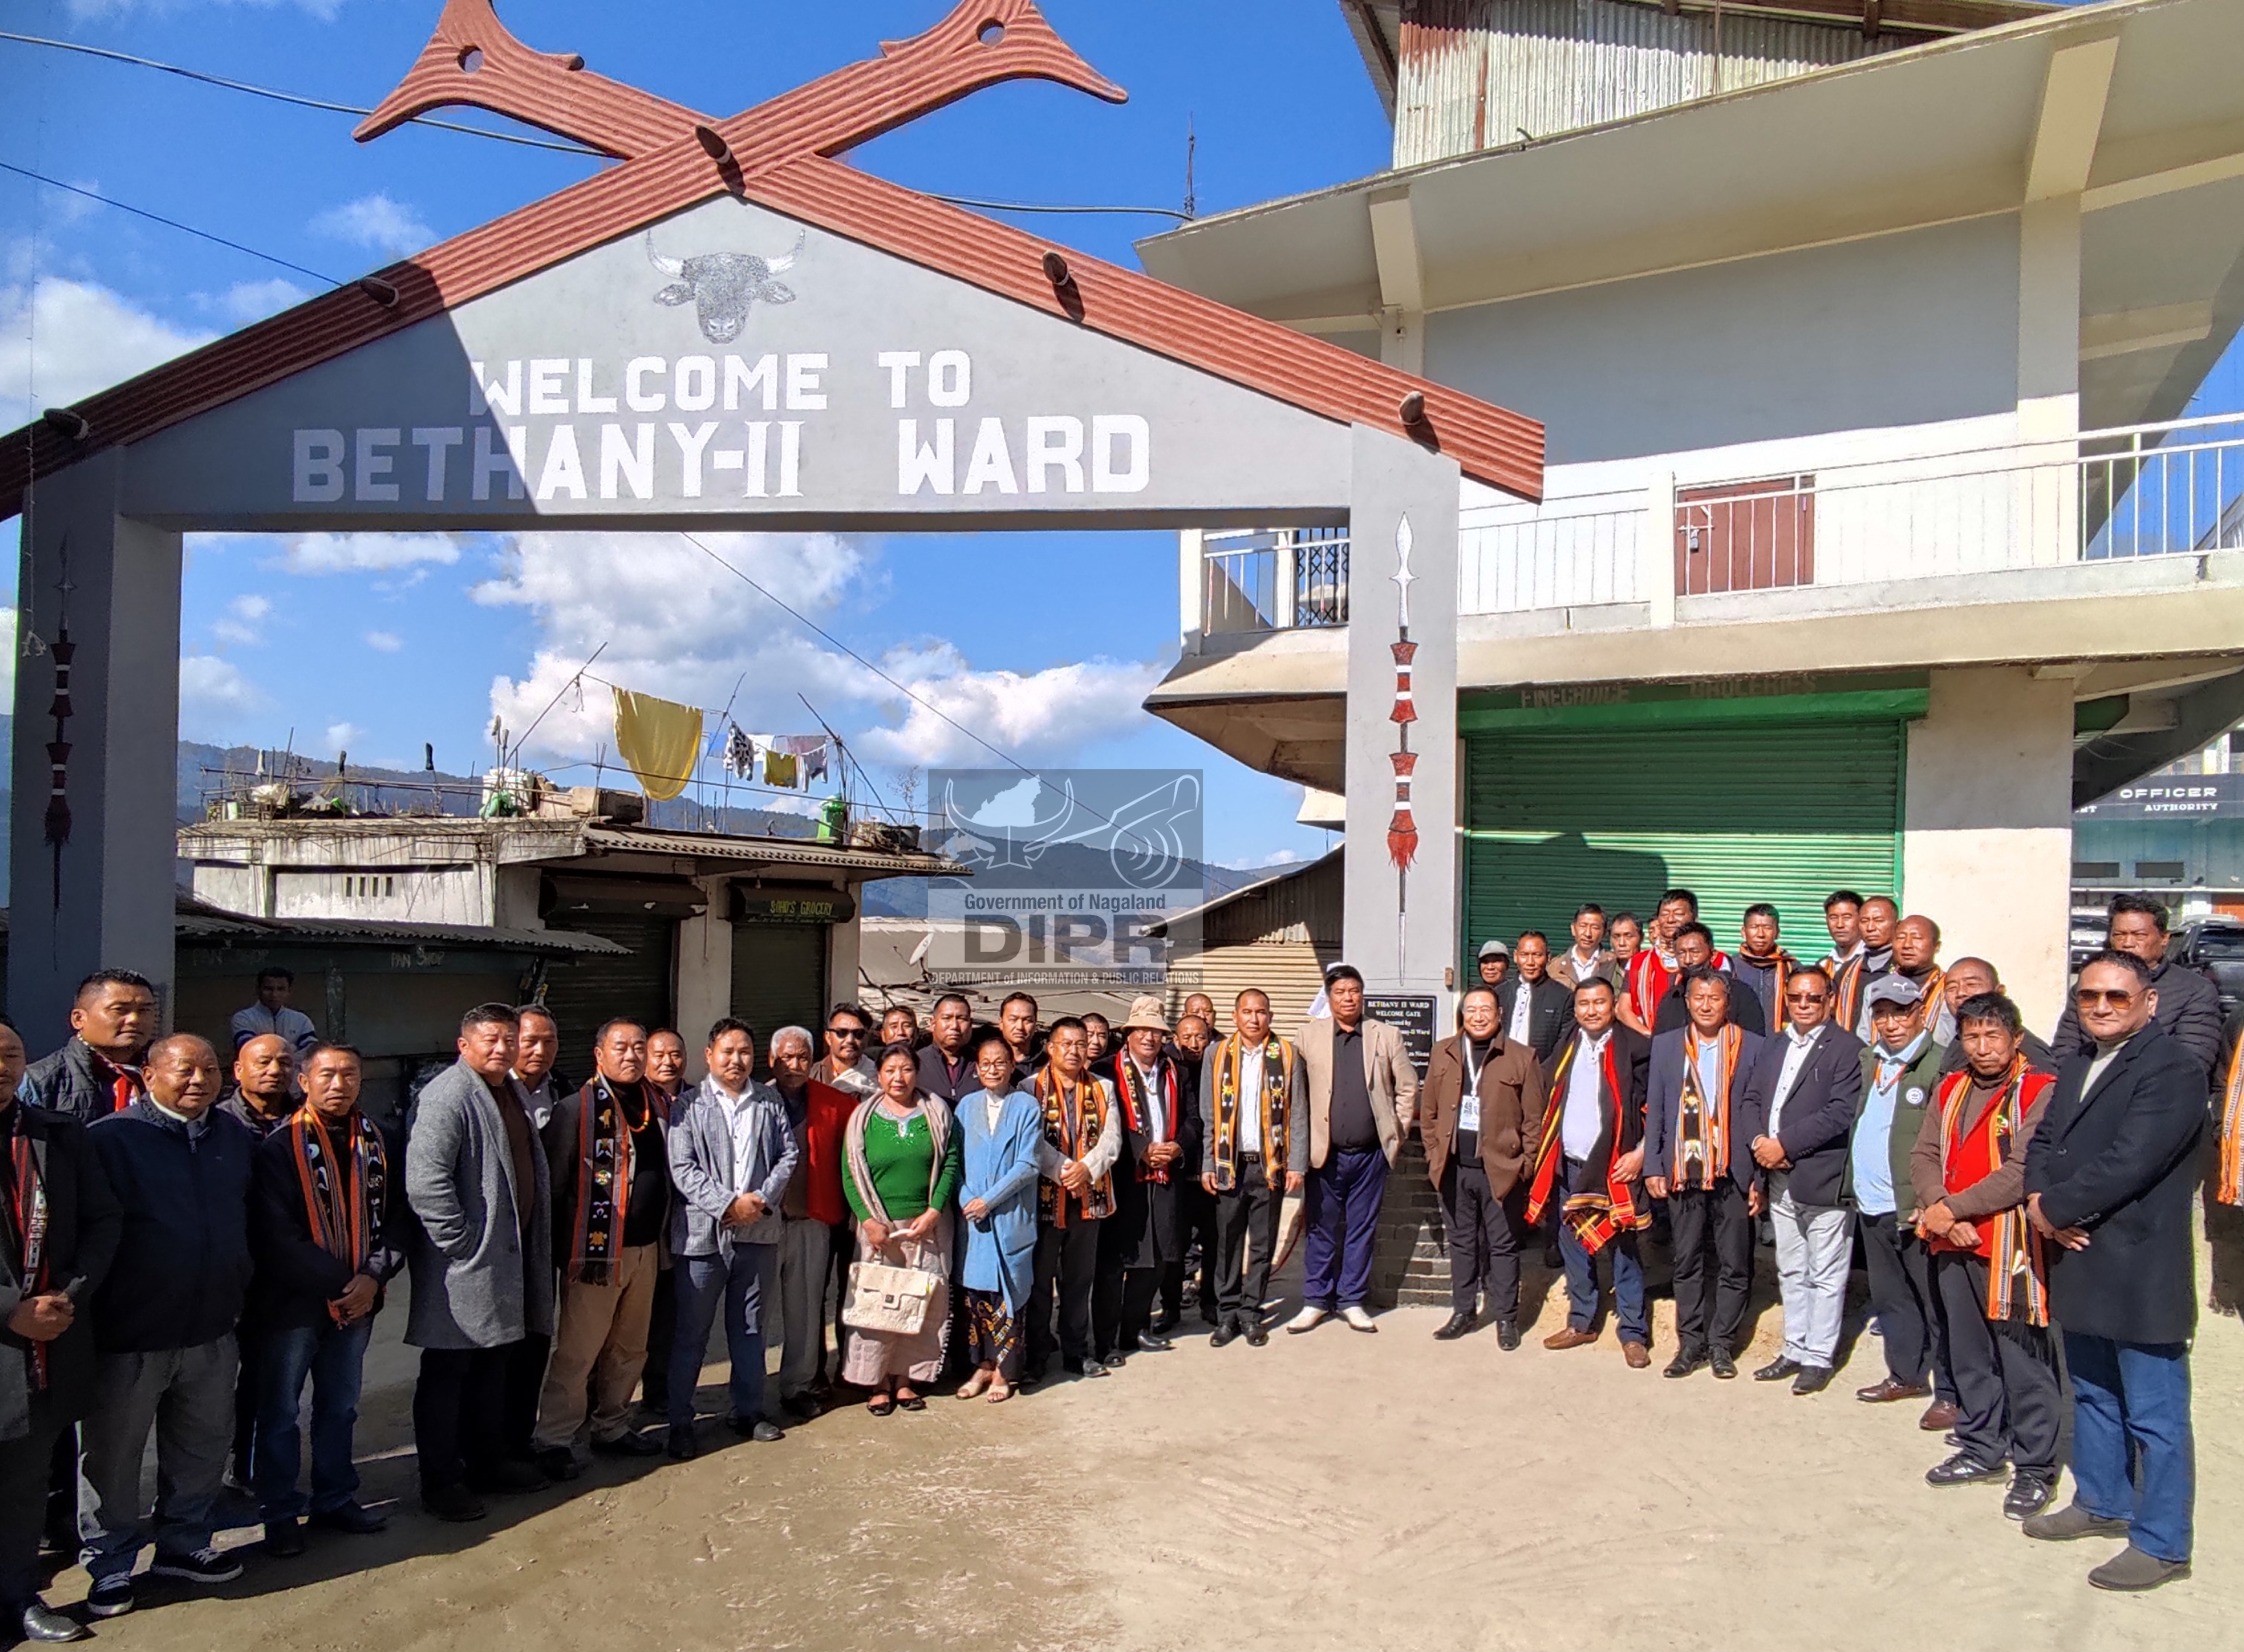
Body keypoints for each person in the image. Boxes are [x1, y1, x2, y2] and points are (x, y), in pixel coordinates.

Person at [2022, 950, 2206, 1591]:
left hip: (2138, 1268)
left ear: (2149, 1003)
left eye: (2117, 996)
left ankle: (2162, 1543)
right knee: (2094, 1393)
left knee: (2156, 1415)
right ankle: (2103, 1501)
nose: (2100, 1006)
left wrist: (2053, 1209)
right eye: (2089, 995)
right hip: (2079, 1256)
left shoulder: (2173, 1069)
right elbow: (2044, 1143)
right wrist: (2038, 1201)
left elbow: (2132, 1161)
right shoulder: (2077, 1061)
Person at [79, 1034, 256, 1617]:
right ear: (150, 1076)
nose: (198, 1080)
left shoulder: (232, 1136)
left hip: (211, 1327)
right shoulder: (110, 1140)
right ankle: (109, 1564)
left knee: (202, 1447)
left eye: (209, 1069)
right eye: (184, 1070)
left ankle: (184, 1544)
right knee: (113, 1458)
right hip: (131, 1335)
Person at [1909, 993, 2062, 1520]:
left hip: (2009, 1243)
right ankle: (1980, 1446)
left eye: (1993, 1036)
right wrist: (1938, 1207)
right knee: (1968, 1351)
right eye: (1971, 1036)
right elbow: (1924, 1153)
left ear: (2016, 1039)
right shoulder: (1951, 1087)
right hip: (1951, 1238)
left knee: (2021, 1357)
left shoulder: (2040, 1090)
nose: (1982, 1047)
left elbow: (2020, 1171)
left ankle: (2035, 1466)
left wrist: (1951, 1209)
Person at [246, 1043, 402, 1556]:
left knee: (340, 1406)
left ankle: (335, 1498)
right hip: (292, 1305)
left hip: (360, 1303)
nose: (339, 1084)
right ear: (304, 1081)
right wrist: (343, 1284)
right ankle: (279, 1512)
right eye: (327, 1075)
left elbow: (400, 1218)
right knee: (280, 1413)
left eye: (350, 1074)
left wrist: (374, 1276)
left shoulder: (381, 1140)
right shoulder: (278, 1147)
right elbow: (276, 1236)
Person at [404, 1004, 555, 1523]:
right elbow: (426, 1181)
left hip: (507, 1260)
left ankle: (488, 1462)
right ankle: (441, 1480)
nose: (502, 1049)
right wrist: (463, 1242)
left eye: (509, 1039)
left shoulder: (507, 1090)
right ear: (463, 1044)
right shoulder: (448, 1095)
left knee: (493, 1367)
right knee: (449, 1372)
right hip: (465, 1266)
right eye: (490, 1040)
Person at [0, 1017, 119, 1645]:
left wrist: (68, 1295)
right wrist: (7, 1309)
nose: (1, 1067)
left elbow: (103, 1220)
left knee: (24, 1483)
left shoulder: (57, 1133)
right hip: (6, 1328)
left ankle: (18, 1596)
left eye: (11, 1054)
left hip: (48, 1337)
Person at [533, 1019, 670, 1477]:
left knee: (629, 1347)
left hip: (646, 1249)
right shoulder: (575, 1109)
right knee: (579, 1350)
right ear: (599, 1054)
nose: (631, 1055)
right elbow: (554, 1187)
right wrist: (561, 1253)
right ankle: (554, 1437)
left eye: (638, 1047)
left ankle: (612, 1424)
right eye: (621, 1047)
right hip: (594, 1253)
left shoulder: (656, 1104)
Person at [665, 1019, 795, 1456]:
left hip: (758, 1232)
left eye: (744, 1052)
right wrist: (727, 1205)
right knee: (691, 1332)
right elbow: (683, 1167)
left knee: (750, 1326)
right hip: (702, 1237)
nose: (736, 1060)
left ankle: (748, 1411)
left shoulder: (769, 1100)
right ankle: (680, 1421)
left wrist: (760, 1200)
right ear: (709, 1055)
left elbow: (787, 1154)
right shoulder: (688, 1106)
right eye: (727, 1051)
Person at [1736, 965, 1863, 1395]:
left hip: (1821, 1176)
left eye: (1813, 998)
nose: (1804, 1005)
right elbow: (1751, 1097)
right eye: (1796, 998)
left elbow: (1840, 1112)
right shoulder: (1775, 1044)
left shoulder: (1847, 1049)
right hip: (1777, 1177)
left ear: (1830, 1000)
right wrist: (1759, 1142)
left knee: (1826, 1271)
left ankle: (1818, 1357)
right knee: (1790, 1267)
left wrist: (1785, 1145)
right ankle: (1794, 1347)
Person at [1644, 970, 1764, 1379]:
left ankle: (1721, 1344)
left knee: (1734, 1263)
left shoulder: (1751, 1046)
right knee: (1687, 1259)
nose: (1706, 1005)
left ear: (1727, 1003)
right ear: (1688, 1001)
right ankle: (1690, 1343)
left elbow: (1760, 1113)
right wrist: (1653, 1164)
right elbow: (1656, 1110)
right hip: (1684, 1168)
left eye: (1714, 998)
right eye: (1699, 997)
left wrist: (1758, 1178)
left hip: (1734, 1169)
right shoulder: (1666, 1046)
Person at [1845, 976, 1954, 1427]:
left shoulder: (1939, 1064)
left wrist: (1932, 1198)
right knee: (1892, 1298)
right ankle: (1905, 1374)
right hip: (1872, 1202)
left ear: (1919, 1013)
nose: (1891, 1023)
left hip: (1914, 1205)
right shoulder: (1870, 1059)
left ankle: (1950, 1393)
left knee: (1936, 1302)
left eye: (1901, 1013)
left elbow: (1946, 1141)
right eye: (1882, 1014)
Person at [1529, 978, 1652, 1366]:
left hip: (1617, 1167)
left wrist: (1642, 1153)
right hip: (1568, 1163)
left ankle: (1633, 1333)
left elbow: (1659, 1108)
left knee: (1624, 1251)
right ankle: (1581, 1321)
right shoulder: (1568, 1044)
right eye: (1584, 1003)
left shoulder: (1636, 1048)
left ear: (1613, 1005)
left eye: (1599, 1002)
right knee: (1573, 1246)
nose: (1591, 1010)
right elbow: (1543, 1087)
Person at [1290, 966, 1419, 1334]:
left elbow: (1407, 1086)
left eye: (1354, 990)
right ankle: (1316, 1299)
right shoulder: (1307, 1036)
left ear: (1363, 995)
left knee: (1362, 1228)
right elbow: (1296, 1094)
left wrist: (1395, 1131)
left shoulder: (1386, 1035)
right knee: (1320, 1228)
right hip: (1324, 1154)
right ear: (1329, 997)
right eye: (1340, 991)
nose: (1348, 997)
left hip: (1370, 1154)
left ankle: (1351, 1299)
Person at [841, 1044, 961, 1413]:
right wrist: (868, 1220)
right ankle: (876, 1381)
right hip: (879, 1229)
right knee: (877, 1306)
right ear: (878, 1075)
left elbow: (950, 1161)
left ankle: (906, 1379)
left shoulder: (936, 1112)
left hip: (926, 1227)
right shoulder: (862, 1118)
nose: (898, 1077)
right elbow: (850, 1172)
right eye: (890, 1070)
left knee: (920, 1303)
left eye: (906, 1069)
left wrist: (934, 1211)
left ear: (916, 1073)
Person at [1419, 986, 1542, 1345]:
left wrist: (1525, 1165)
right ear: (1462, 1014)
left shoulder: (1522, 1057)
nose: (1478, 1016)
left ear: (1500, 1013)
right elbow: (1429, 1112)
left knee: (1503, 1246)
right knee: (1461, 1244)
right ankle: (1463, 1311)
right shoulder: (1443, 1052)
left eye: (1485, 1009)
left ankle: (1505, 1318)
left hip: (1501, 1170)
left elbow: (1534, 1120)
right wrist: (1433, 1154)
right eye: (1471, 1009)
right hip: (1454, 1167)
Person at [1095, 997, 1199, 1365]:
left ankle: (1134, 1328)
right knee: (1114, 1263)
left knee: (1157, 1259)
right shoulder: (1106, 1071)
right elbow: (1104, 1124)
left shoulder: (1176, 1071)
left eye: (1155, 1031)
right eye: (1141, 1029)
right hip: (1124, 1177)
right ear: (1128, 1033)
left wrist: (1177, 1145)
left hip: (1166, 1176)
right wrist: (1141, 1149)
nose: (1148, 1037)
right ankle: (1105, 1340)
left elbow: (1193, 1120)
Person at [1200, 991, 1305, 1348]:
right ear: (1235, 1016)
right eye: (1247, 1011)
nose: (1254, 1018)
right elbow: (1209, 1114)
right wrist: (1207, 1163)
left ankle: (1250, 1313)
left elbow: (1298, 1112)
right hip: (1229, 1163)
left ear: (1270, 1016)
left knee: (1262, 1244)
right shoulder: (1216, 1054)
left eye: (1261, 1012)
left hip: (1268, 1164)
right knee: (1227, 1243)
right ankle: (1226, 1313)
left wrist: (1297, 1164)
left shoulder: (1287, 1055)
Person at [1024, 1019, 1122, 1378]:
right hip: (1044, 1200)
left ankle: (1076, 1352)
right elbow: (1030, 1141)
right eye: (1066, 1043)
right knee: (1039, 1283)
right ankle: (1036, 1356)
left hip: (1089, 1199)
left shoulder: (1102, 1087)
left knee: (1079, 1282)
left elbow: (1112, 1139)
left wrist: (1087, 1169)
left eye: (1080, 1043)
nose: (1074, 1050)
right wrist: (1066, 1171)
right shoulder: (1029, 1087)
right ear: (1050, 1047)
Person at [2050, 893, 2224, 1080]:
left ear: (2164, 938)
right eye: (2119, 935)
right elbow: (2065, 1049)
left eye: (2139, 935)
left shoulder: (2194, 990)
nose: (2127, 943)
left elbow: (2193, 1062)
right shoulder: (2090, 985)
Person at [954, 1033, 1042, 1402]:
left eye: (1000, 1063)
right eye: (986, 1064)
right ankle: (984, 1365)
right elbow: (954, 1162)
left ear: (1011, 1066)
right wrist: (966, 1198)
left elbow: (1028, 1164)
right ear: (976, 1069)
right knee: (977, 1297)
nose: (993, 1069)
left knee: (1009, 1296)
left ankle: (1006, 1371)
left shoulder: (1026, 1106)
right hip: (973, 1220)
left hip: (1009, 1217)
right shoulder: (966, 1106)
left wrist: (988, 1201)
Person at [768, 1026, 848, 1419]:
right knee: (753, 1312)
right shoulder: (754, 1100)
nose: (794, 1065)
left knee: (805, 1308)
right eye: (786, 1057)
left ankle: (798, 1385)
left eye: (802, 1057)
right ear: (772, 1060)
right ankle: (745, 1393)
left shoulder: (835, 1103)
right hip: (761, 1224)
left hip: (811, 1219)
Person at [21, 971, 157, 1122]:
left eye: (144, 1010)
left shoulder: (168, 1073)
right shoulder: (39, 1080)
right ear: (78, 1019)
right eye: (119, 1009)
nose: (134, 1019)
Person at [1164, 1011, 1219, 1330]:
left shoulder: (1219, 1067)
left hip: (1211, 1172)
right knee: (1175, 1244)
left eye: (1200, 1036)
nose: (1194, 1043)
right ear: (1176, 1039)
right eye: (1187, 1037)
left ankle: (1210, 1301)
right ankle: (1170, 1306)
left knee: (1213, 1242)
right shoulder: (1168, 1069)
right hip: (1178, 1172)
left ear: (1210, 1037)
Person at [1934, 959, 2056, 1075]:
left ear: (1999, 992)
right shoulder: (1960, 1040)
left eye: (1971, 984)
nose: (1960, 993)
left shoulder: (2026, 1050)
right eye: (1951, 988)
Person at [1648, 924, 1766, 1037]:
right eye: (1681, 953)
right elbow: (1660, 1044)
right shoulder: (1672, 998)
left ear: (1712, 955)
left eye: (1694, 952)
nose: (1688, 960)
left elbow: (1754, 1042)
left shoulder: (1739, 993)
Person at [1620, 889, 1697, 1036]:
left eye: (1678, 913)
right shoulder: (1638, 962)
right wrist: (1649, 1036)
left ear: (1694, 917)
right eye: (1664, 914)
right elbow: (1623, 1008)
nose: (1670, 919)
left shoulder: (1714, 960)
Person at [1496, 932, 1575, 1065]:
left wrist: (1544, 1072)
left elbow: (1564, 1045)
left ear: (1548, 957)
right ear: (1515, 956)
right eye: (1524, 955)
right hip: (1502, 1070)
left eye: (1537, 955)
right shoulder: (1499, 994)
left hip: (1541, 1072)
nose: (1530, 962)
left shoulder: (1563, 997)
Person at [1730, 903, 1794, 1032]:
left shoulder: (1791, 967)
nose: (1760, 934)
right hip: (1740, 1038)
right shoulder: (1730, 967)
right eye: (1754, 927)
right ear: (1743, 932)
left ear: (1777, 932)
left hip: (1779, 1039)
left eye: (1767, 927)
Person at [229, 968, 318, 1058]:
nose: (274, 994)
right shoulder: (243, 1018)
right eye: (268, 989)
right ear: (258, 990)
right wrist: (292, 1049)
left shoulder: (301, 1020)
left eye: (281, 989)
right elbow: (250, 1050)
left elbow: (312, 1052)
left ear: (289, 991)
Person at [1846, 896, 1901, 1040]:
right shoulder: (1846, 972)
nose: (1870, 928)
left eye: (1879, 920)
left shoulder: (1904, 970)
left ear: (1897, 925)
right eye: (1864, 921)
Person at [221, 1035, 297, 1138]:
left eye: (284, 1063)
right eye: (263, 1062)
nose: (275, 1070)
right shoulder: (218, 1120)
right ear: (238, 1070)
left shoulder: (307, 1118)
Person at [510, 1005, 569, 1130]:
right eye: (530, 1041)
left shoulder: (563, 1088)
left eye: (549, 1042)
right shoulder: (492, 1087)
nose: (540, 1051)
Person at [1894, 916, 1949, 1041]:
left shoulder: (1949, 988)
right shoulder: (1877, 988)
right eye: (1900, 937)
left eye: (1917, 938)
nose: (1907, 945)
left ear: (1937, 946)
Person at [916, 994, 978, 1104]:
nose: (954, 1026)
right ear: (933, 1024)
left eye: (961, 1019)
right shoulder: (916, 1063)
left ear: (970, 1024)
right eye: (947, 1018)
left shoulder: (982, 1062)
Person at [1550, 903, 1619, 992]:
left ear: (1604, 933)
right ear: (1573, 929)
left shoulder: (1613, 964)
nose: (1588, 933)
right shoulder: (1555, 967)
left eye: (1595, 927)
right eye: (1583, 926)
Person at [816, 1004, 877, 1092]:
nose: (850, 1040)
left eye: (858, 1033)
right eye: (841, 1032)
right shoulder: (812, 1075)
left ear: (866, 1038)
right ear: (828, 1037)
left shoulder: (878, 1077)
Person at [998, 993, 1042, 1084]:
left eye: (1027, 1020)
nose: (1020, 1027)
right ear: (1001, 1023)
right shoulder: (986, 1061)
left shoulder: (1047, 1064)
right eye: (1013, 1019)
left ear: (1035, 1024)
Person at [1820, 890, 1865, 976]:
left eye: (1847, 917)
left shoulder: (1873, 963)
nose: (1839, 925)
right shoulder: (1823, 966)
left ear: (1861, 919)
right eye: (1833, 917)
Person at [644, 1029, 687, 1107]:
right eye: (659, 1056)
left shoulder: (700, 1098)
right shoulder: (633, 1098)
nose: (668, 1062)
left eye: (675, 1055)